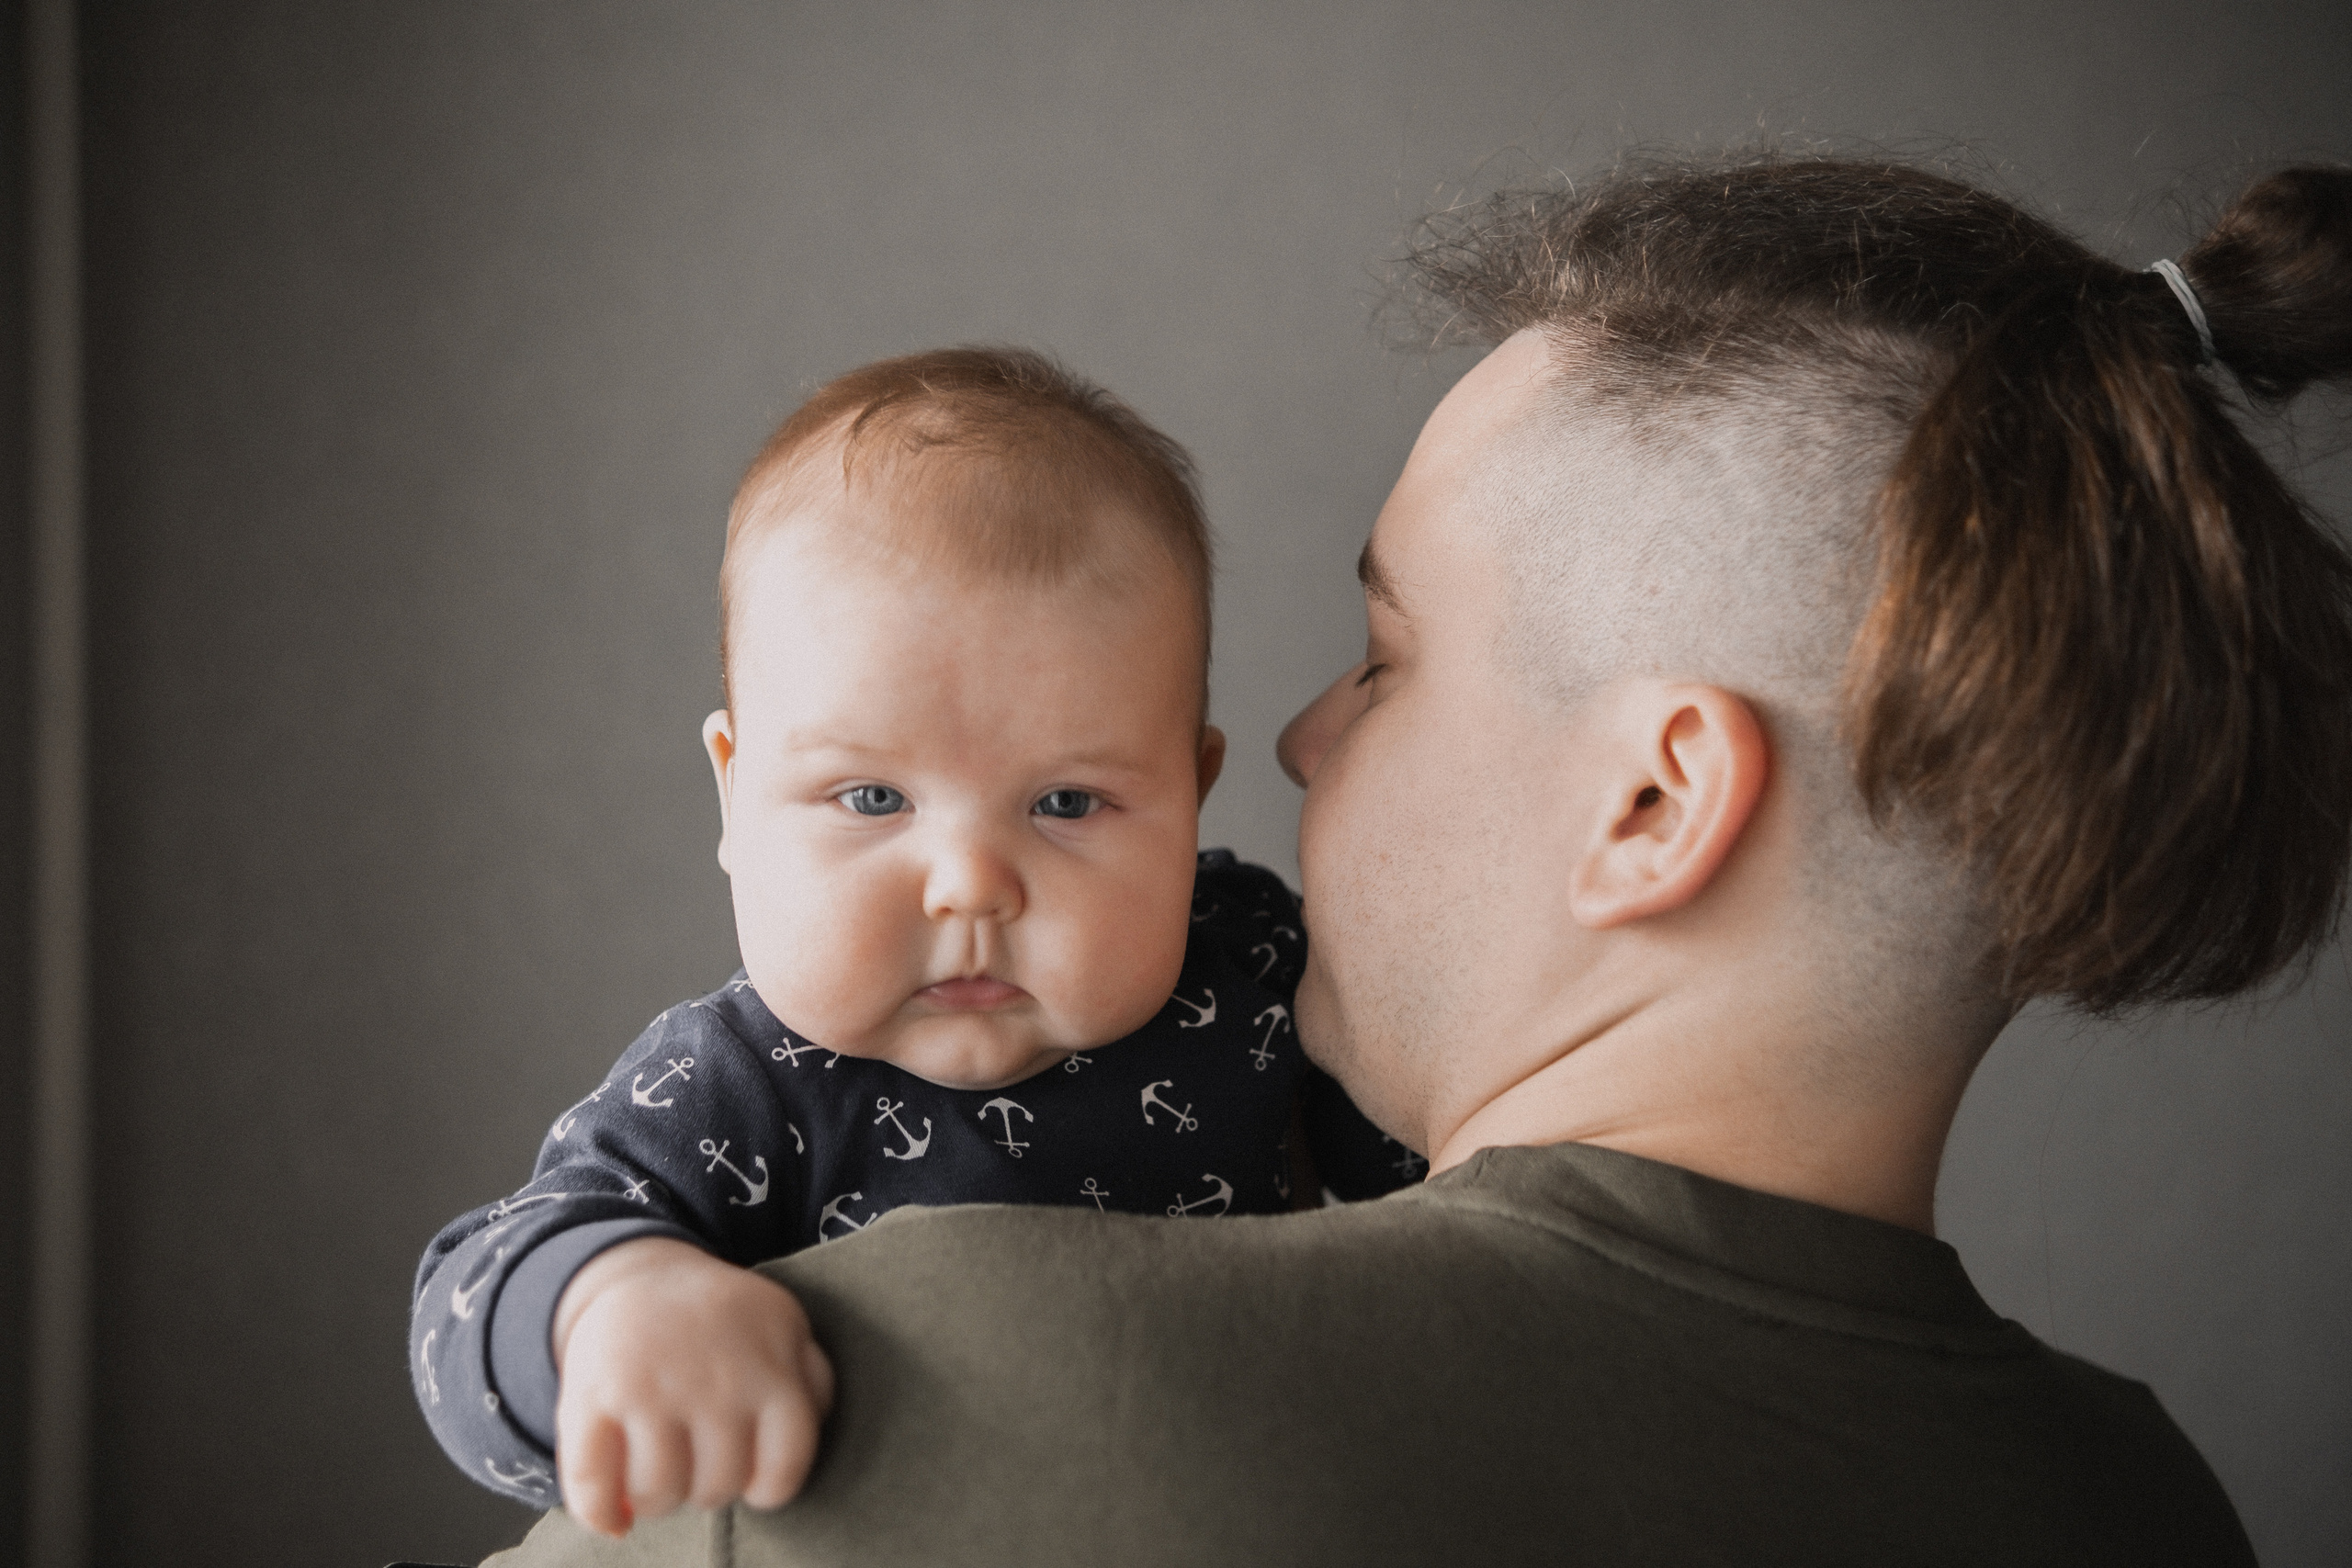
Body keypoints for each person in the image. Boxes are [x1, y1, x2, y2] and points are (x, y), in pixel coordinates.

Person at [484, 152, 2352, 1566]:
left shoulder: (899, 1373)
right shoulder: (2140, 1506)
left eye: (1384, 659)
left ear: (1648, 803)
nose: (1300, 739)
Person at [409, 349, 1414, 1531]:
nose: (970, 887)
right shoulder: (739, 1088)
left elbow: (1474, 1184)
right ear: (734, 798)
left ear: (1190, 798)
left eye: (1067, 804)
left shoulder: (1253, 973)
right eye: (872, 800)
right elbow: (468, 1298)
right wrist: (610, 1304)